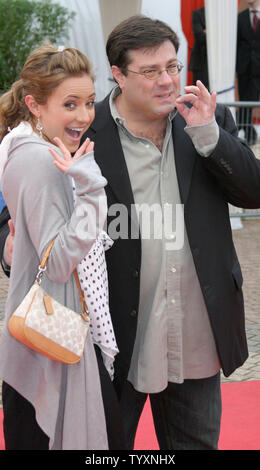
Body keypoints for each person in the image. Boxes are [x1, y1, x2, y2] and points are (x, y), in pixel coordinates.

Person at [1, 15, 260, 451]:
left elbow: (252, 191)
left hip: (195, 336)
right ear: (118, 75)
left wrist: (210, 135)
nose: (167, 81)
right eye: (150, 71)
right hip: (113, 341)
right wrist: (14, 254)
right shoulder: (81, 127)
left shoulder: (201, 122)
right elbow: (20, 217)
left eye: (173, 67)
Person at [0, 44, 124, 450]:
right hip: (54, 336)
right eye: (69, 104)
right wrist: (91, 189)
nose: (84, 116)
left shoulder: (26, 146)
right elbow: (57, 261)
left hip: (50, 330)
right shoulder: (43, 160)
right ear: (35, 104)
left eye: (88, 102)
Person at [236, 0, 260, 145]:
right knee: (245, 99)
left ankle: (240, 126)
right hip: (244, 67)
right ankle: (249, 132)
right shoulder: (241, 17)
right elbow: (238, 44)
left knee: (250, 99)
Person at [189, 6, 209, 89]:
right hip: (201, 62)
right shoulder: (197, 13)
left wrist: (206, 31)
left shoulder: (223, 15)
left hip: (219, 63)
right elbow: (200, 37)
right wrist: (214, 31)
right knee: (199, 94)